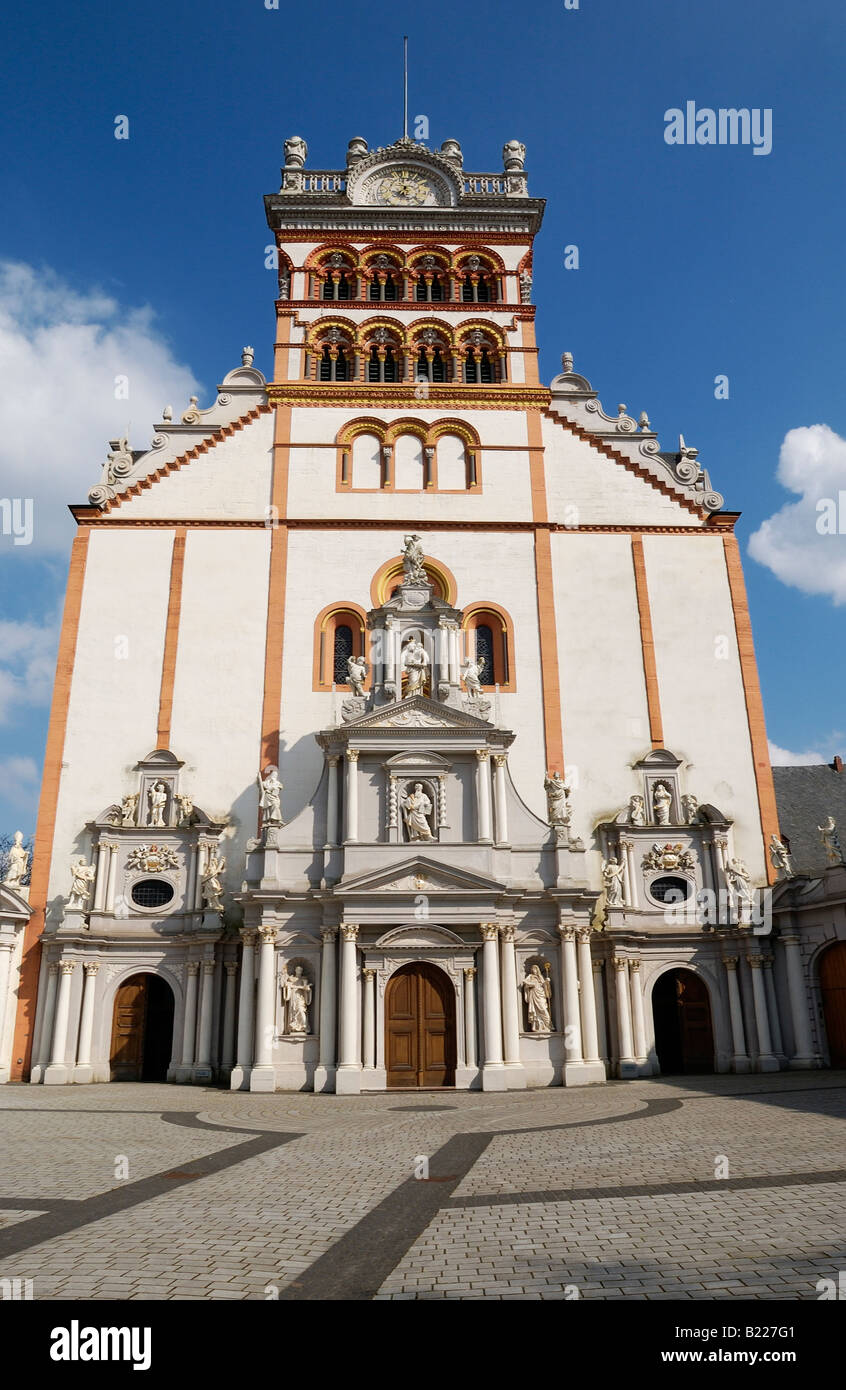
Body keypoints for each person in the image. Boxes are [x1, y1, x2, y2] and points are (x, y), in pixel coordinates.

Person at [522, 964, 552, 1032]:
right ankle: (536, 1026)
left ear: (537, 970)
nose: (533, 970)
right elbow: (525, 982)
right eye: (532, 969)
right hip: (533, 994)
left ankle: (548, 1025)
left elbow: (544, 986)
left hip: (541, 995)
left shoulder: (541, 977)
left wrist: (547, 982)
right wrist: (532, 984)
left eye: (535, 969)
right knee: (535, 1011)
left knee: (543, 1009)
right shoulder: (530, 976)